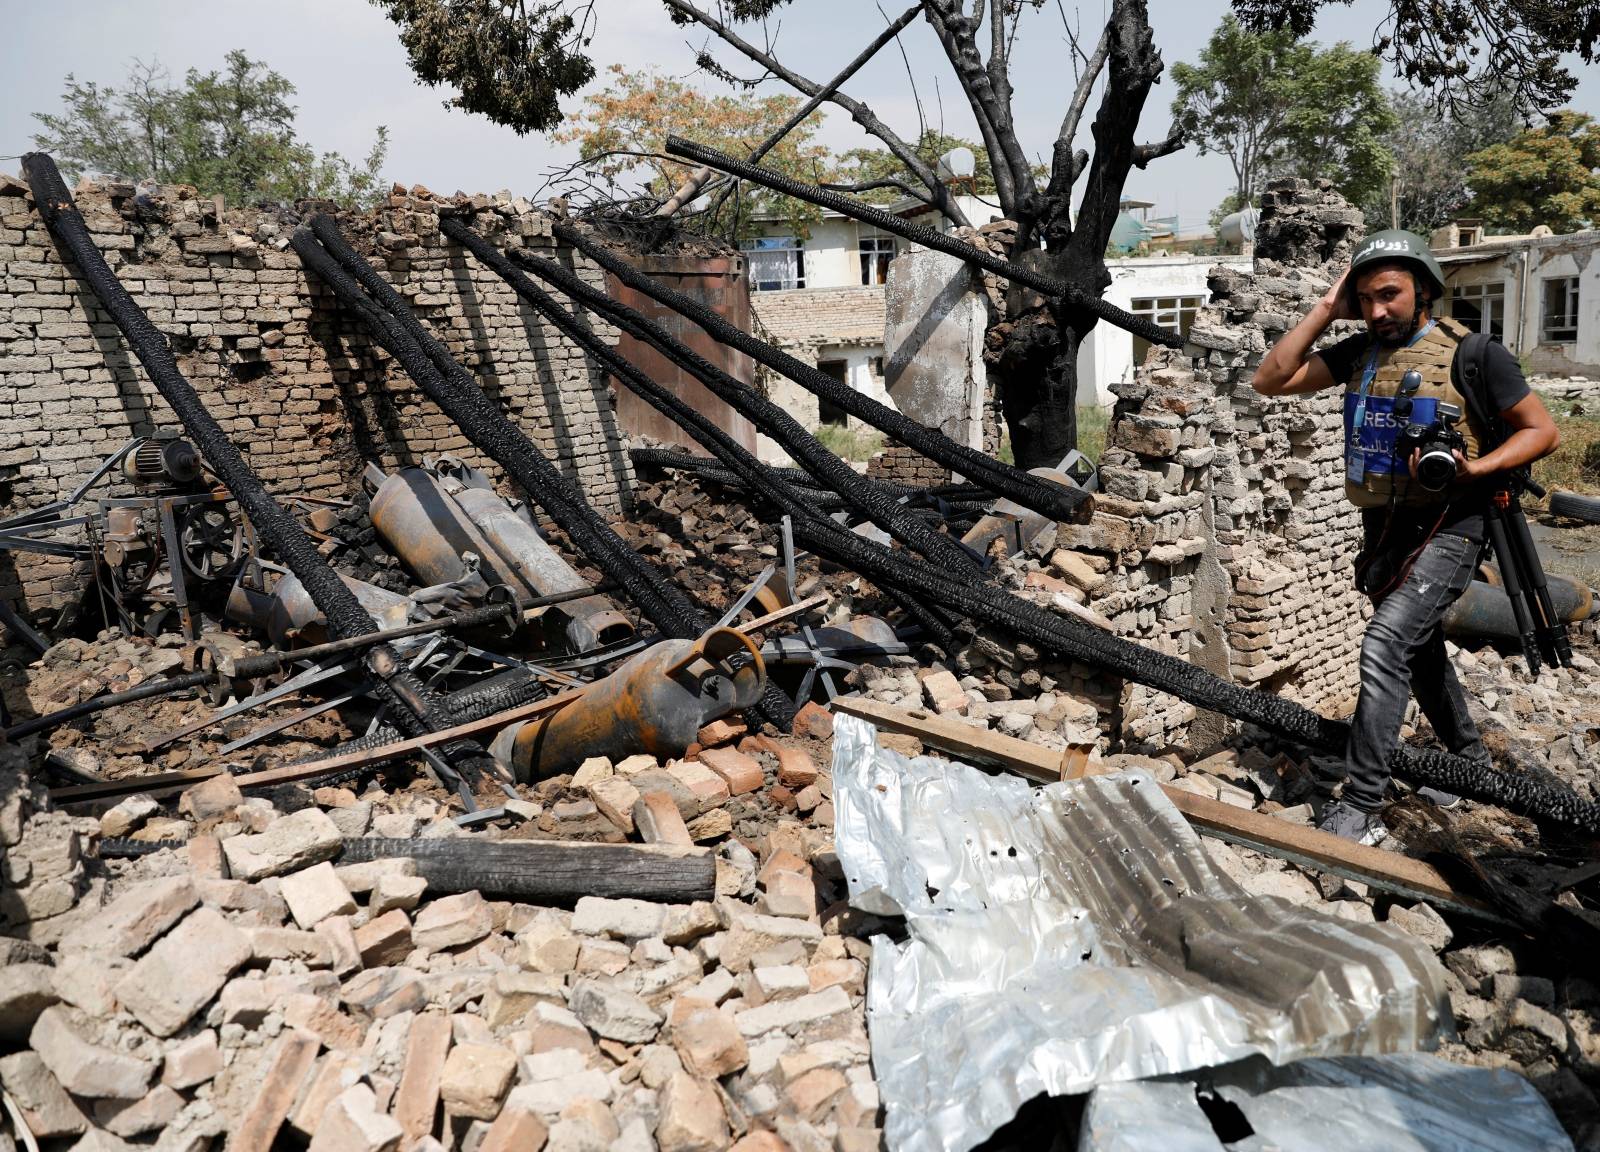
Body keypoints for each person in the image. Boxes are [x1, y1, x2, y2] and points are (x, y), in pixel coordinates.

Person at [1251, 229, 1560, 844]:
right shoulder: (1359, 352)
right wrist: (1323, 308)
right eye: (1364, 299)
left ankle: (1361, 803)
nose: (1377, 311)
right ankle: (1469, 763)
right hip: (1385, 528)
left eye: (1389, 294)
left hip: (1454, 523)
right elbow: (1271, 379)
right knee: (1416, 651)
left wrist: (1476, 467)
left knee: (1385, 642)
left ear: (1423, 291)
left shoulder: (1475, 355)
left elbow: (1542, 431)